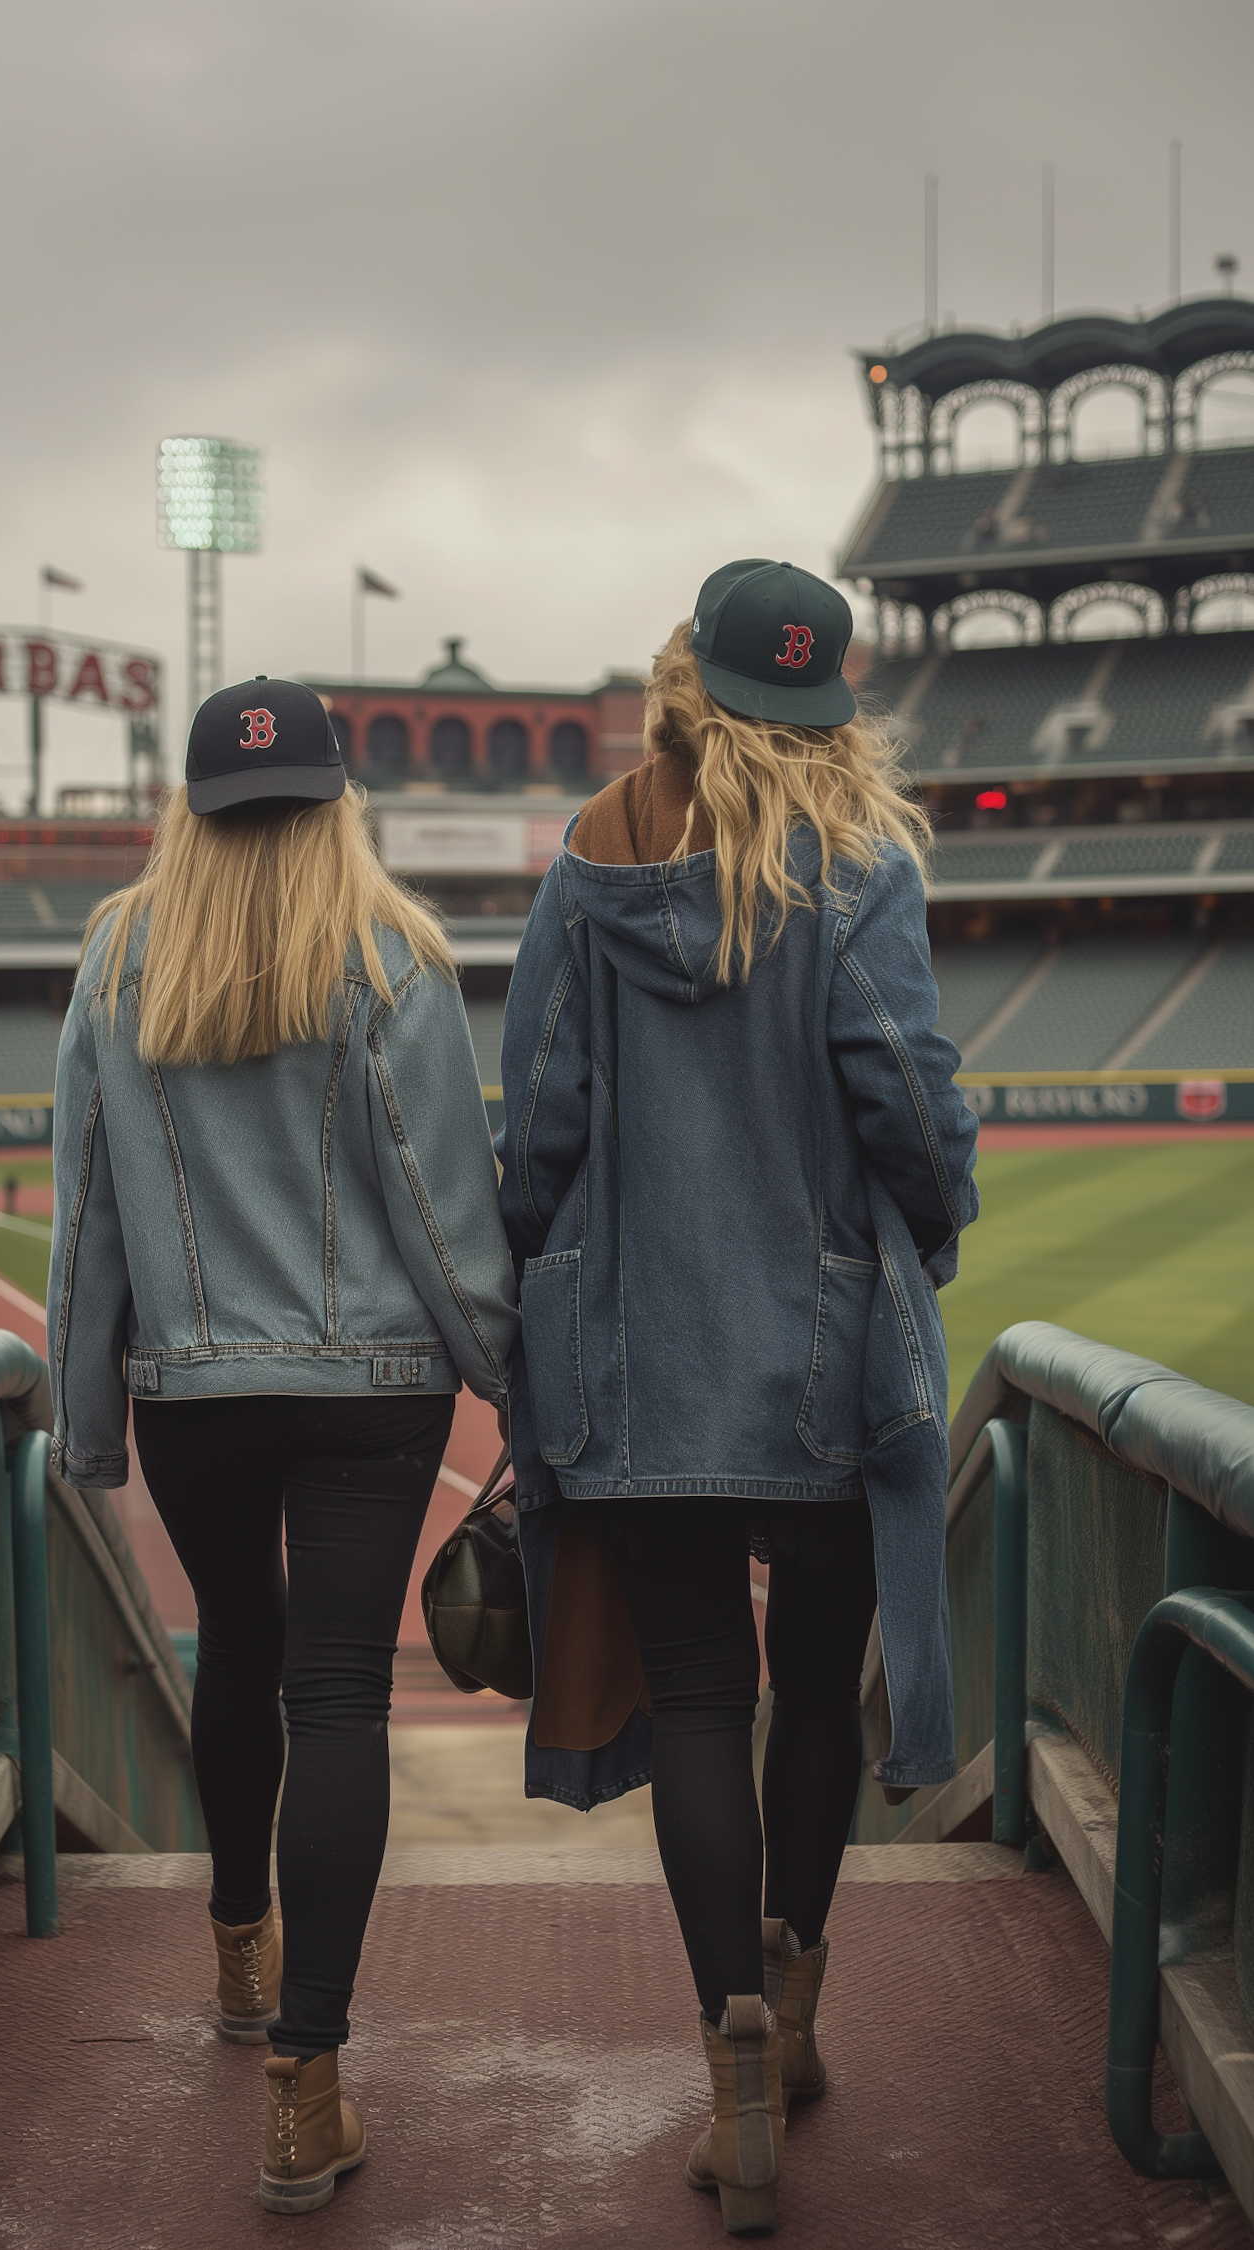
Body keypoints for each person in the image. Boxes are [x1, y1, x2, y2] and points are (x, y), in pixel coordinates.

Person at [497, 562, 978, 2236]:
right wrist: (935, 1228)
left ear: (687, 689)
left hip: (640, 1365)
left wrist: (536, 1278)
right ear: (828, 708)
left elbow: (540, 1124)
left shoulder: (589, 865)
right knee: (815, 1694)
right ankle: (804, 1994)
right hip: (829, 1367)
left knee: (701, 1697)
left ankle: (737, 2070)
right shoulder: (859, 869)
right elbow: (909, 1104)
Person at [47, 678, 517, 2217]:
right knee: (337, 1694)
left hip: (191, 1383)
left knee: (235, 1645)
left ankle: (240, 1943)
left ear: (192, 808)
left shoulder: (119, 953)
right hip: (376, 1382)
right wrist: (512, 1379)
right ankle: (304, 2086)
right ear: (337, 799)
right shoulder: (394, 952)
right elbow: (446, 1209)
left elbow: (93, 1213)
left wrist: (85, 1418)